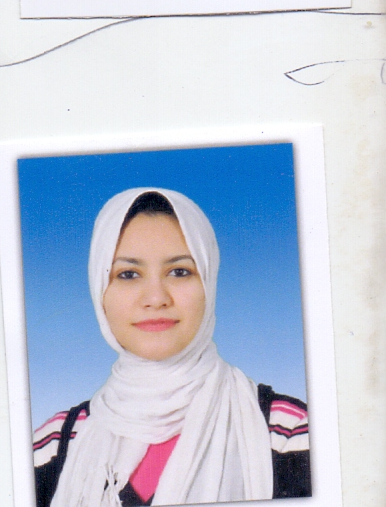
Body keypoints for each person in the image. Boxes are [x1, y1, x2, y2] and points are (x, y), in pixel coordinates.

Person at [33, 188, 311, 507]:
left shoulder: (289, 433)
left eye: (179, 272)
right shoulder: (53, 445)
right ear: (100, 292)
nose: (156, 298)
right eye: (128, 274)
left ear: (209, 283)